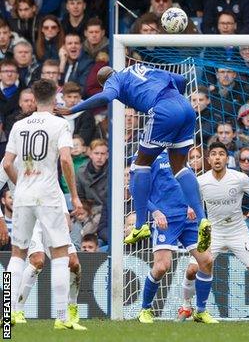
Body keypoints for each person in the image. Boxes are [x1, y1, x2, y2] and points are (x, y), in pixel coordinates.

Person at [55, 63, 211, 254]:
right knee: (180, 167)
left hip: (164, 109)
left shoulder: (114, 81)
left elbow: (105, 96)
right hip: (186, 108)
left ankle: (140, 226)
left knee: (138, 167)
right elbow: (182, 79)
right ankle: (202, 218)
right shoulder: (140, 68)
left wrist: (73, 110)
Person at [3, 79, 85, 330]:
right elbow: (66, 161)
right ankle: (61, 318)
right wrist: (74, 196)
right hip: (48, 195)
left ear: (34, 98)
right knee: (60, 255)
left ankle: (6, 313)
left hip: (23, 197)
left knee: (17, 255)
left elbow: (7, 164)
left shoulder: (19, 125)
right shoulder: (60, 124)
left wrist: (22, 185)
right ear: (56, 97)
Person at [180, 142, 249, 322]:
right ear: (208, 159)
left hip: (237, 232)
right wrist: (189, 208)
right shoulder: (200, 181)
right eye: (214, 154)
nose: (217, 157)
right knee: (192, 270)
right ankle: (186, 307)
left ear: (227, 158)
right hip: (213, 232)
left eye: (221, 154)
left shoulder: (239, 178)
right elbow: (187, 200)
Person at [132, 150, 215, 324]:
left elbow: (189, 181)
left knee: (206, 261)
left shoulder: (179, 150)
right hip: (166, 218)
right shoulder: (145, 154)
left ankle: (200, 311)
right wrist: (154, 211)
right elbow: (137, 189)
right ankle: (145, 310)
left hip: (188, 216)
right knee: (162, 266)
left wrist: (194, 204)